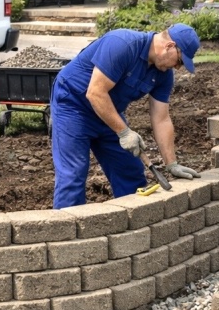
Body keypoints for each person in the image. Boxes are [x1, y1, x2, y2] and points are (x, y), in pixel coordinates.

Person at [50, 23, 202, 208]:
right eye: (179, 61)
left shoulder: (163, 74)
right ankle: (68, 223)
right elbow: (95, 93)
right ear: (169, 46)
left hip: (108, 110)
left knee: (130, 172)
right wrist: (124, 132)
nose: (177, 67)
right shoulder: (122, 44)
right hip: (73, 105)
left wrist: (172, 164)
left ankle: (134, 223)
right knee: (73, 175)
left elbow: (161, 119)